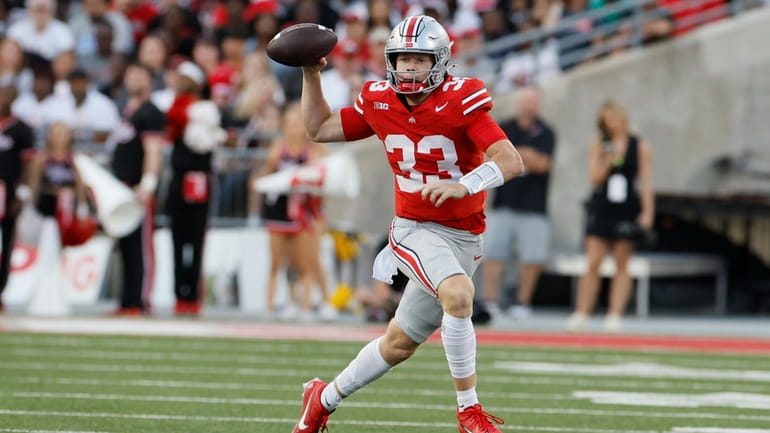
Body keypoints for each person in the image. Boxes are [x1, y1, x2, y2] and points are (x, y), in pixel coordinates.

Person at [291, 15, 524, 433]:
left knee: (398, 344)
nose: (410, 69)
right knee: (459, 294)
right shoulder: (379, 99)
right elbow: (319, 127)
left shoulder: (462, 98)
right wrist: (311, 75)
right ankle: (469, 412)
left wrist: (463, 185)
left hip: (465, 234)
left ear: (440, 61)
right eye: (403, 60)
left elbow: (510, 160)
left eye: (419, 60)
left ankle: (321, 399)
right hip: (414, 227)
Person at [566, 99, 654, 333]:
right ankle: (582, 312)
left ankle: (615, 314)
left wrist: (648, 211)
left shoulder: (639, 145)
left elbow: (645, 181)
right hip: (603, 205)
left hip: (626, 205)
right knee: (593, 261)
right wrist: (607, 158)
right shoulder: (600, 144)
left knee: (622, 263)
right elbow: (594, 178)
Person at [482, 86, 556, 320]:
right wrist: (526, 156)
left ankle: (523, 302)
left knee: (532, 257)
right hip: (504, 201)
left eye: (533, 101)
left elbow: (543, 164)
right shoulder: (505, 126)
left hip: (534, 205)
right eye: (525, 101)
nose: (529, 105)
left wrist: (516, 155)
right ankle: (491, 300)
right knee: (493, 252)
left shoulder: (546, 132)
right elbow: (495, 159)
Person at [254, 102, 330, 321]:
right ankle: (275, 305)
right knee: (280, 262)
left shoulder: (315, 149)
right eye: (289, 123)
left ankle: (315, 303)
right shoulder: (277, 148)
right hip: (280, 211)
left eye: (297, 123)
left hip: (307, 211)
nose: (293, 128)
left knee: (309, 261)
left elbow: (322, 184)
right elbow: (266, 178)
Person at [165, 60, 225, 316]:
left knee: (197, 241)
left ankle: (194, 294)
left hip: (201, 182)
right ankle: (179, 294)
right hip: (180, 182)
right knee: (178, 241)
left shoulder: (206, 112)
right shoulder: (176, 111)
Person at [108, 62, 166, 316]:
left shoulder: (150, 112)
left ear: (149, 81)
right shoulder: (128, 110)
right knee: (125, 246)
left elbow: (154, 150)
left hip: (136, 187)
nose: (133, 78)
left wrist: (148, 183)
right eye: (130, 73)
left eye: (139, 75)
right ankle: (125, 301)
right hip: (121, 187)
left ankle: (139, 300)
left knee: (140, 246)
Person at [0, 85, 35, 312]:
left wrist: (23, 193)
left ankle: (1, 290)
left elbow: (29, 164)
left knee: (7, 242)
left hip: (9, 191)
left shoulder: (22, 129)